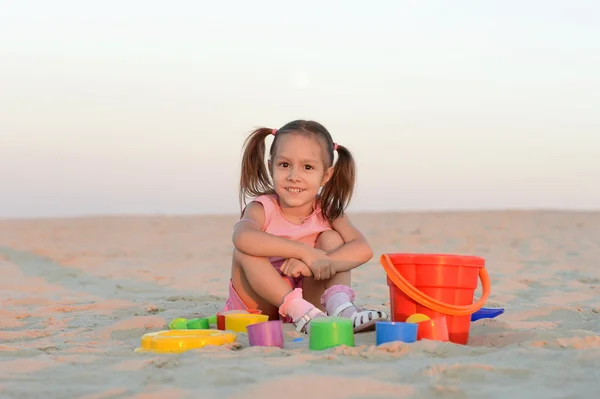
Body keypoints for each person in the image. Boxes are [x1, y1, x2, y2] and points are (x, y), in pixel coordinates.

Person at [223, 120, 388, 333]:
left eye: (307, 167)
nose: (294, 176)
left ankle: (340, 307)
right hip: (259, 309)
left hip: (310, 305)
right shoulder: (262, 207)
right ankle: (297, 309)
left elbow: (363, 249)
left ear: (325, 176)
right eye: (284, 165)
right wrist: (304, 252)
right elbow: (242, 237)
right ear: (271, 166)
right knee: (245, 250)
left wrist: (316, 262)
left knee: (332, 239)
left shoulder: (326, 210)